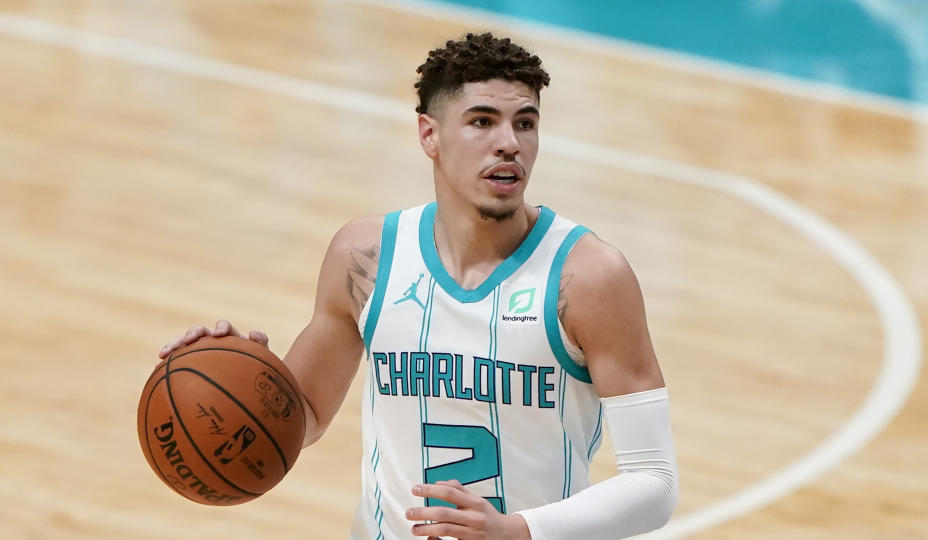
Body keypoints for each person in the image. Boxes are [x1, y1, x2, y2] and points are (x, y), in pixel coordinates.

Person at [159, 32, 678, 540]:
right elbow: (305, 417)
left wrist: (519, 531)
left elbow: (654, 484)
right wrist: (238, 375)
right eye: (482, 121)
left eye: (526, 123)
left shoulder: (588, 277)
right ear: (429, 135)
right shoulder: (365, 258)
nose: (510, 144)